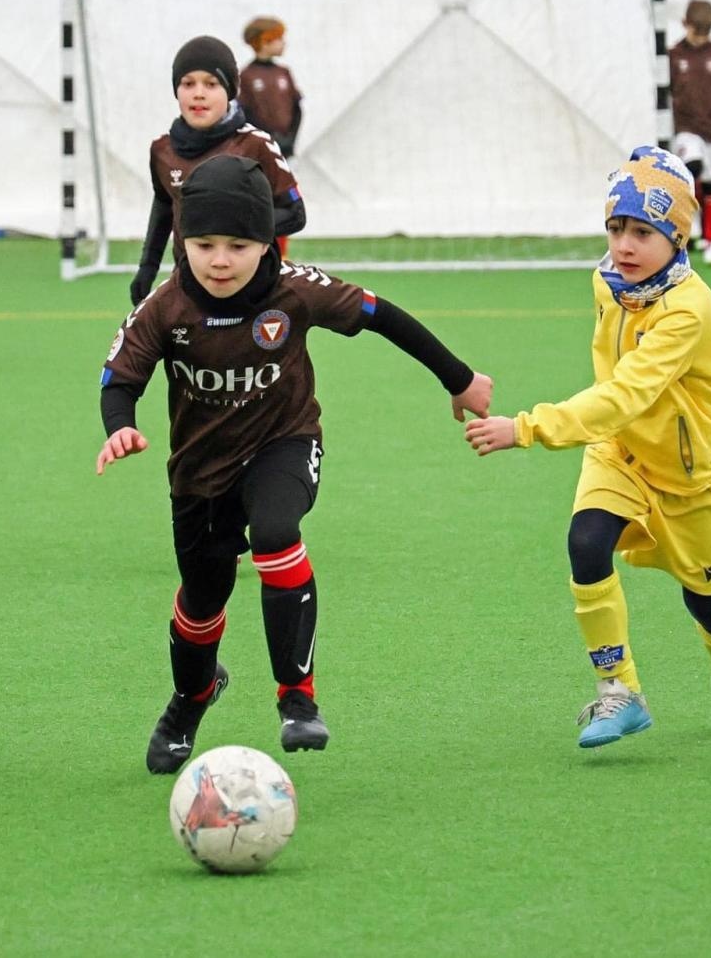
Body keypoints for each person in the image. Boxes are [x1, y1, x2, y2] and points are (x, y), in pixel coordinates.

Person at [97, 154, 494, 774]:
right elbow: (119, 380)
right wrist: (120, 428)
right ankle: (192, 696)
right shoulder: (165, 307)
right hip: (200, 475)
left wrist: (461, 379)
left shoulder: (297, 289)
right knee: (202, 601)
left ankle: (297, 699)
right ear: (184, 242)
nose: (220, 260)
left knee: (277, 532)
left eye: (238, 244)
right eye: (203, 244)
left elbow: (381, 315)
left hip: (283, 441)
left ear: (266, 243)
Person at [464, 145, 711, 749]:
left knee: (708, 601)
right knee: (586, 542)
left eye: (643, 233)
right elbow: (625, 373)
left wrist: (526, 427)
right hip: (619, 452)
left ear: (678, 238)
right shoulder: (608, 280)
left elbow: (626, 391)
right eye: (615, 228)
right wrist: (698, 372)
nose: (624, 246)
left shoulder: (689, 305)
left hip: (689, 476)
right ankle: (621, 691)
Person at [128, 36, 305, 306]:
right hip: (190, 291)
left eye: (211, 84)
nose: (198, 93)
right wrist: (147, 268)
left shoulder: (256, 144)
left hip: (252, 294)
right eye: (188, 84)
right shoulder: (162, 150)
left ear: (230, 91)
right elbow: (165, 204)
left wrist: (235, 231)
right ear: (176, 90)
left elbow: (295, 214)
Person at [668, 0, 711, 267]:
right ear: (685, 25)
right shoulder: (673, 55)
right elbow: (663, 92)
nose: (700, 38)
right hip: (685, 129)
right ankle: (681, 232)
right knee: (690, 168)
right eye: (696, 32)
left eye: (705, 33)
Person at [238, 16, 302, 160]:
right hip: (262, 152)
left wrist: (290, 139)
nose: (283, 43)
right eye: (278, 38)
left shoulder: (283, 72)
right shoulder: (247, 75)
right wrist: (268, 138)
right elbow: (246, 113)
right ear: (265, 42)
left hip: (287, 149)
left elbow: (297, 107)